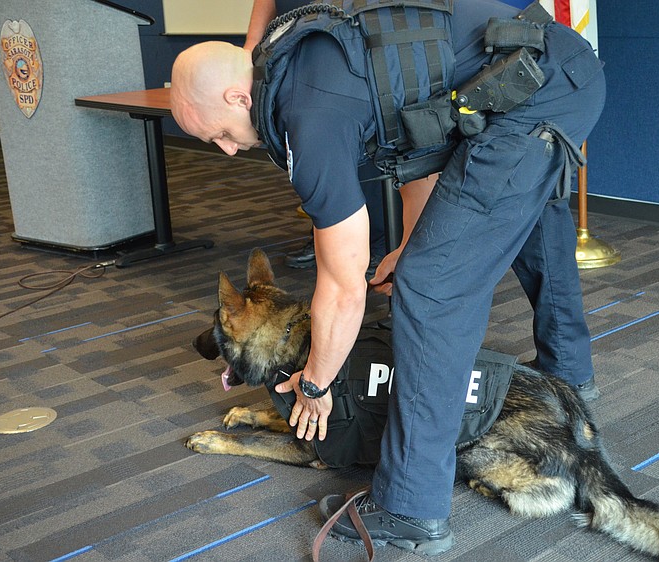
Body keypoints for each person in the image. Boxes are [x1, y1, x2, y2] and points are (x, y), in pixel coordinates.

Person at [170, 0, 605, 554]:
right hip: (548, 70)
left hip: (532, 92)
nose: (228, 149)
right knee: (523, 225)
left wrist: (316, 384)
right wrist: (410, 241)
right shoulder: (300, 59)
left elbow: (344, 281)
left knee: (430, 289)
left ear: (239, 96)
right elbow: (417, 135)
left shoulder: (308, 118)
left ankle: (411, 506)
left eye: (220, 134)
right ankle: (570, 384)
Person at [245, 0, 390, 273]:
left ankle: (378, 239)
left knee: (359, 141)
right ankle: (326, 234)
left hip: (349, 29)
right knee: (309, 145)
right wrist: (252, 45)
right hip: (296, 31)